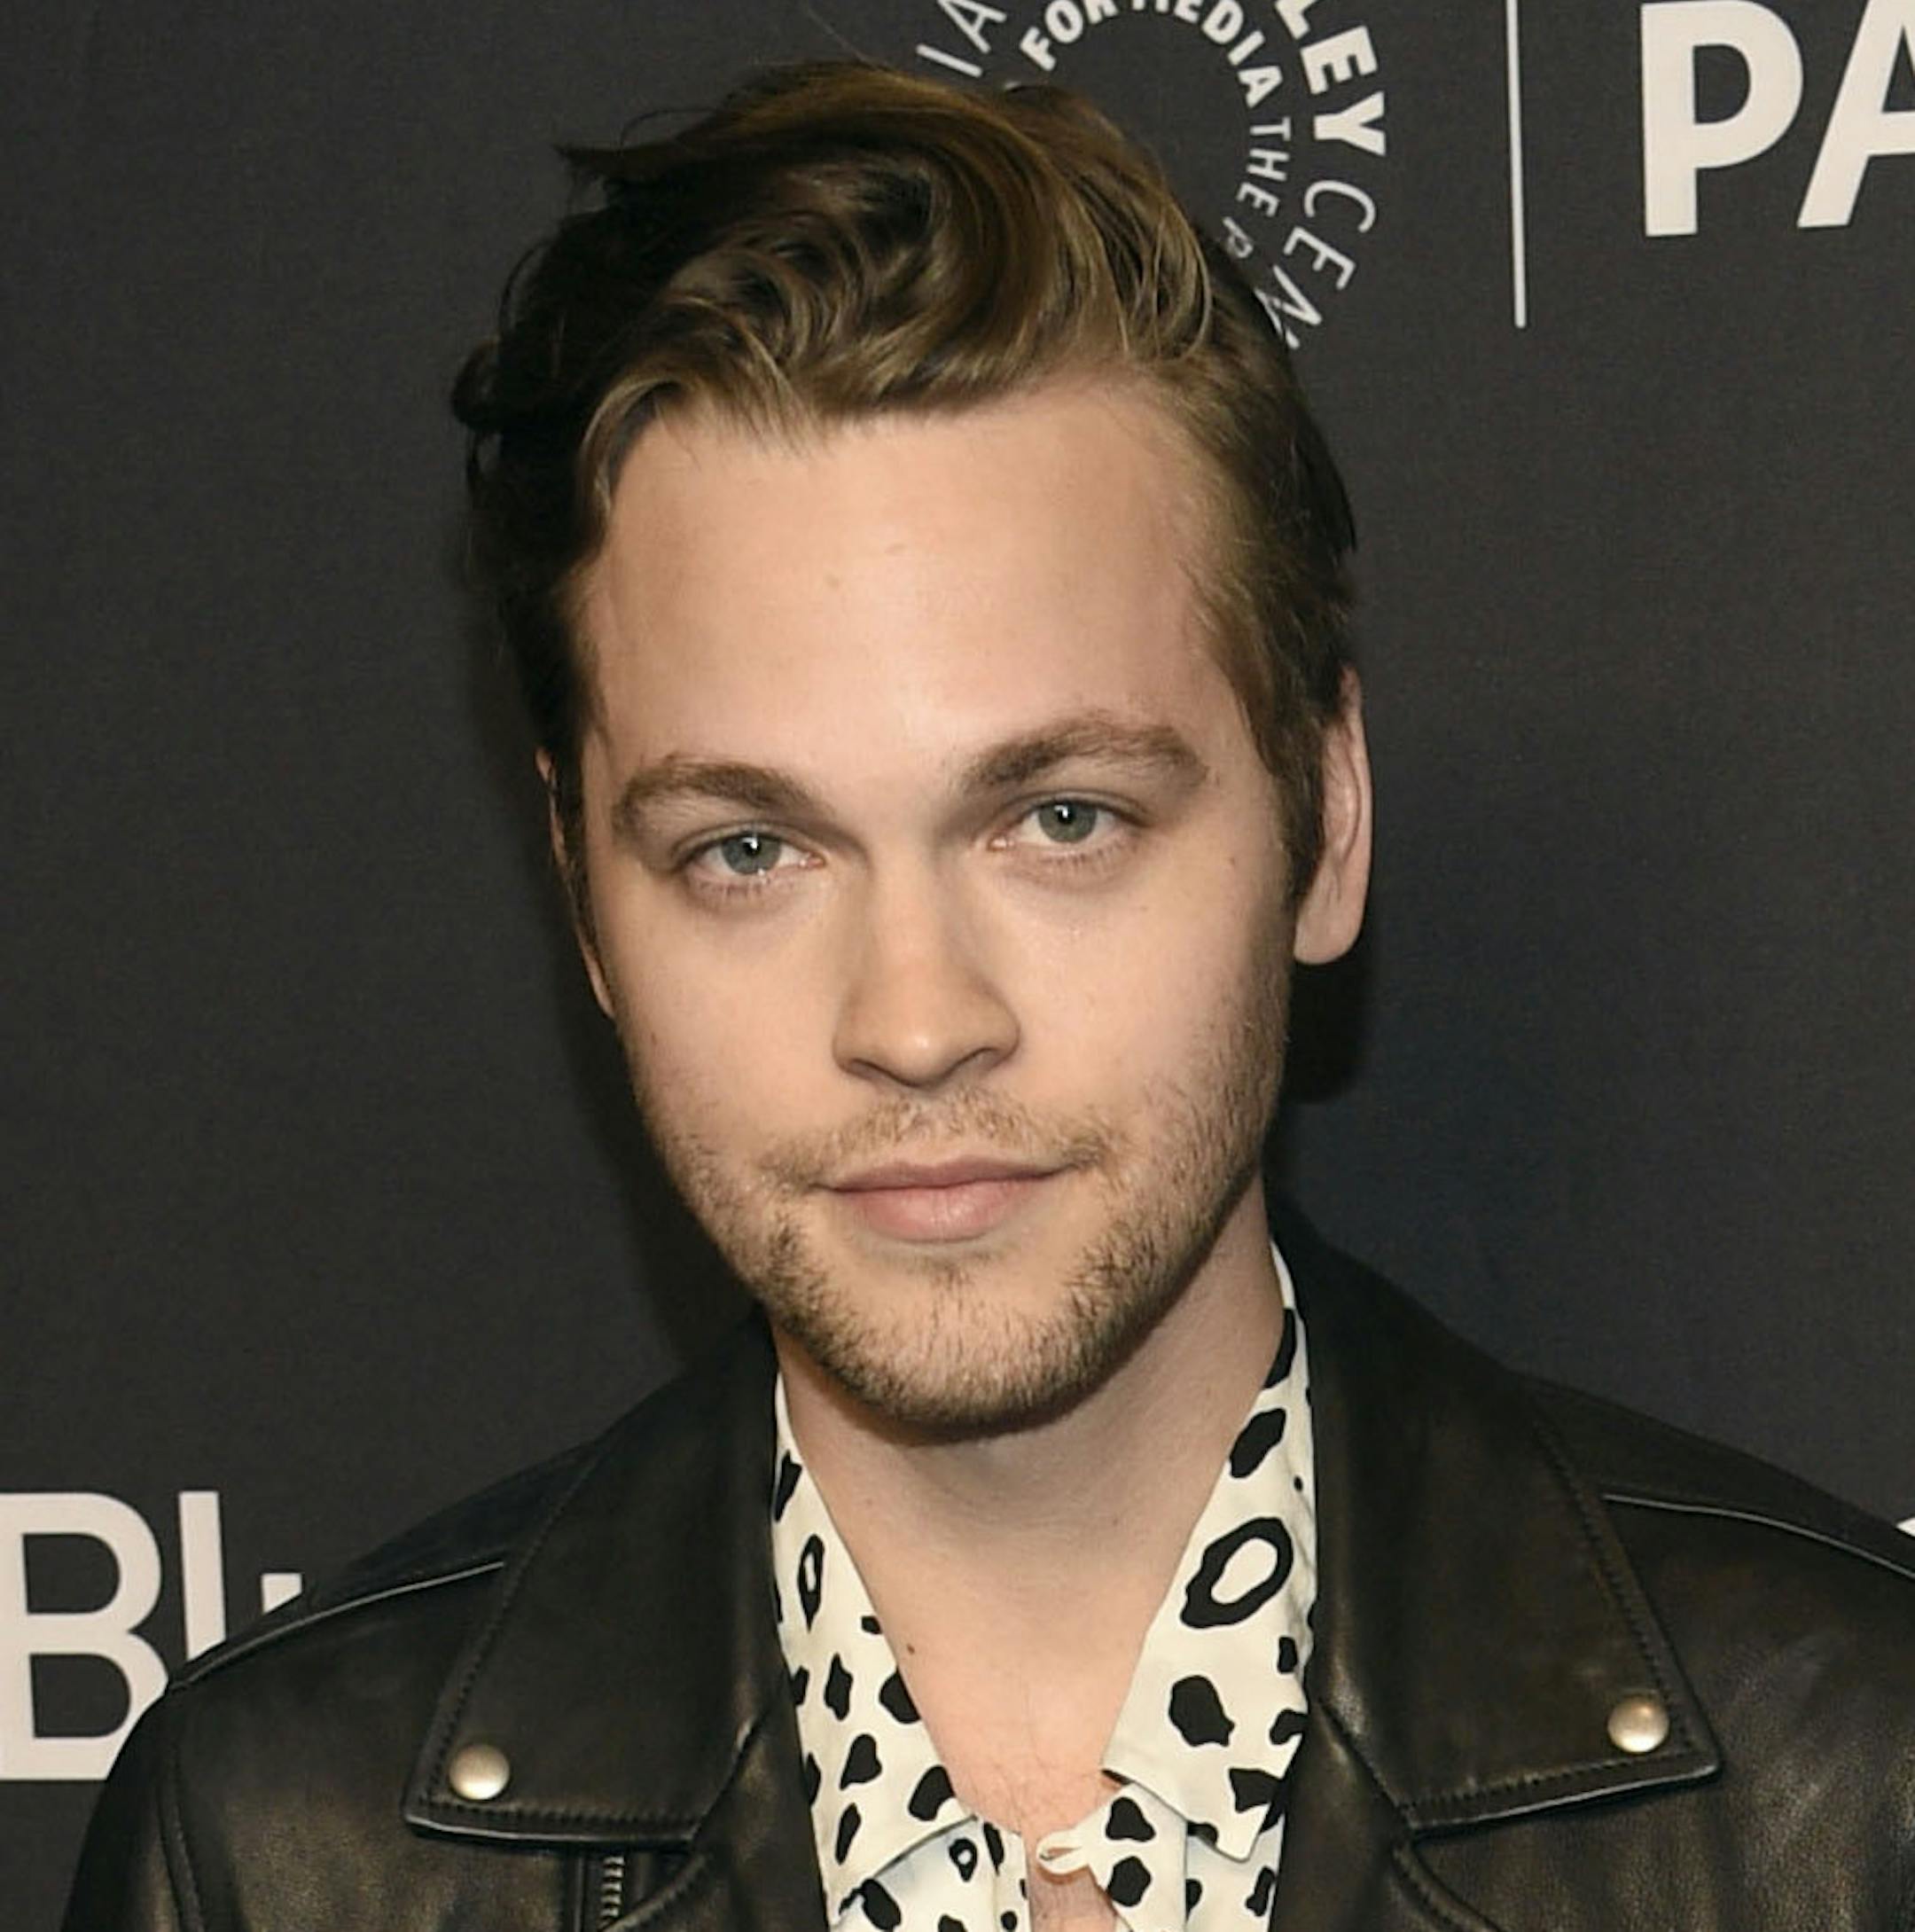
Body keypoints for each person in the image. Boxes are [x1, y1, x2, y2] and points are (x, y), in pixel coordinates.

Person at [62, 59, 1915, 1932]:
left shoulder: (1847, 1788)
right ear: (587, 905)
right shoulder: (283, 1849)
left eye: (1060, 817)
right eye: (748, 850)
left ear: (1324, 820)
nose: (918, 1016)